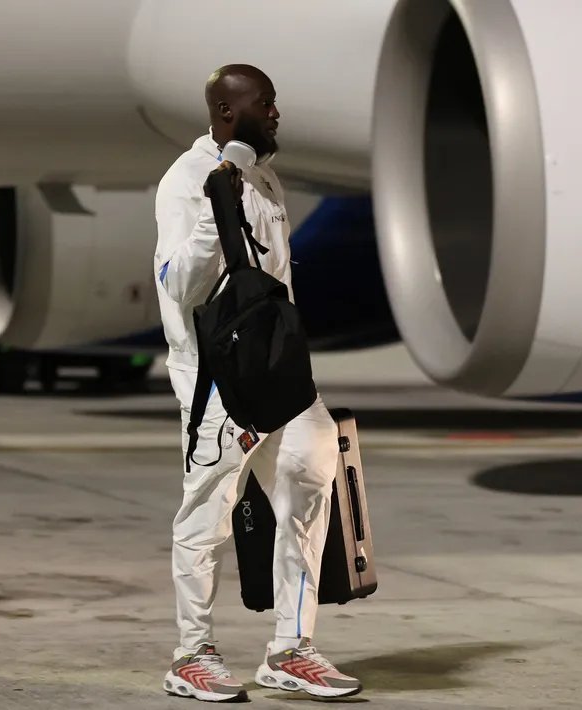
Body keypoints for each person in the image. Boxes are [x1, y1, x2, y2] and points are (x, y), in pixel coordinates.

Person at [153, 64, 363, 701]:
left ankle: (290, 649)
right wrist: (216, 211)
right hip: (218, 382)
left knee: (310, 486)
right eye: (264, 103)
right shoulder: (187, 180)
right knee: (207, 516)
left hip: (280, 373)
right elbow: (179, 286)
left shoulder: (264, 177)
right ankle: (192, 655)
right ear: (226, 112)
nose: (275, 113)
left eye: (273, 102)